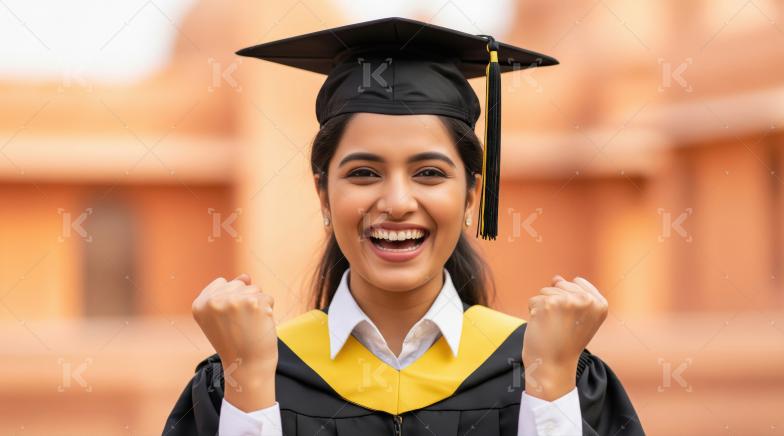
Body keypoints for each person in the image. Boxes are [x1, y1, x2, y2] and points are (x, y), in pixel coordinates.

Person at [162, 17, 645, 436]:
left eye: (429, 173)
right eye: (364, 173)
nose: (396, 202)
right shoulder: (246, 370)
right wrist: (249, 387)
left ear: (472, 194)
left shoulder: (548, 364)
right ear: (322, 193)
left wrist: (550, 384)